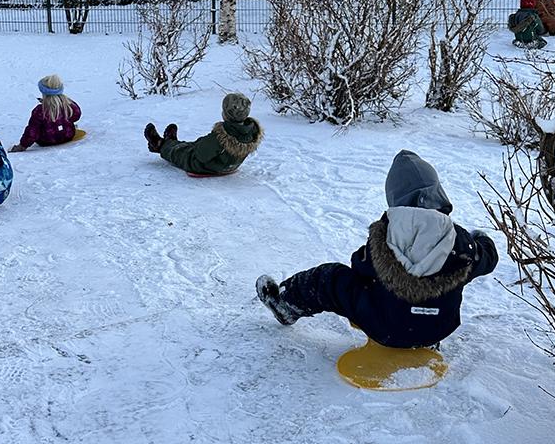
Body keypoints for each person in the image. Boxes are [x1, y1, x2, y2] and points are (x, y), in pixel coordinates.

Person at [256, 150, 498, 349]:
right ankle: (422, 332)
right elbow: (487, 260)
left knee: (329, 278)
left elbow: (359, 266)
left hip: (385, 329)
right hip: (438, 330)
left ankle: (286, 305)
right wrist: (481, 241)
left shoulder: (384, 235)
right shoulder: (461, 241)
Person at [143, 92, 262, 175]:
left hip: (207, 167)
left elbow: (200, 155)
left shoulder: (221, 137)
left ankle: (160, 145)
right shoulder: (250, 131)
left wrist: (201, 145)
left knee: (185, 153)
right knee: (196, 144)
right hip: (229, 164)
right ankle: (172, 141)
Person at [9, 74, 82, 152]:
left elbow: (32, 131)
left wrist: (22, 146)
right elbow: (76, 115)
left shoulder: (40, 111)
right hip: (68, 135)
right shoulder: (69, 104)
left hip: (46, 141)